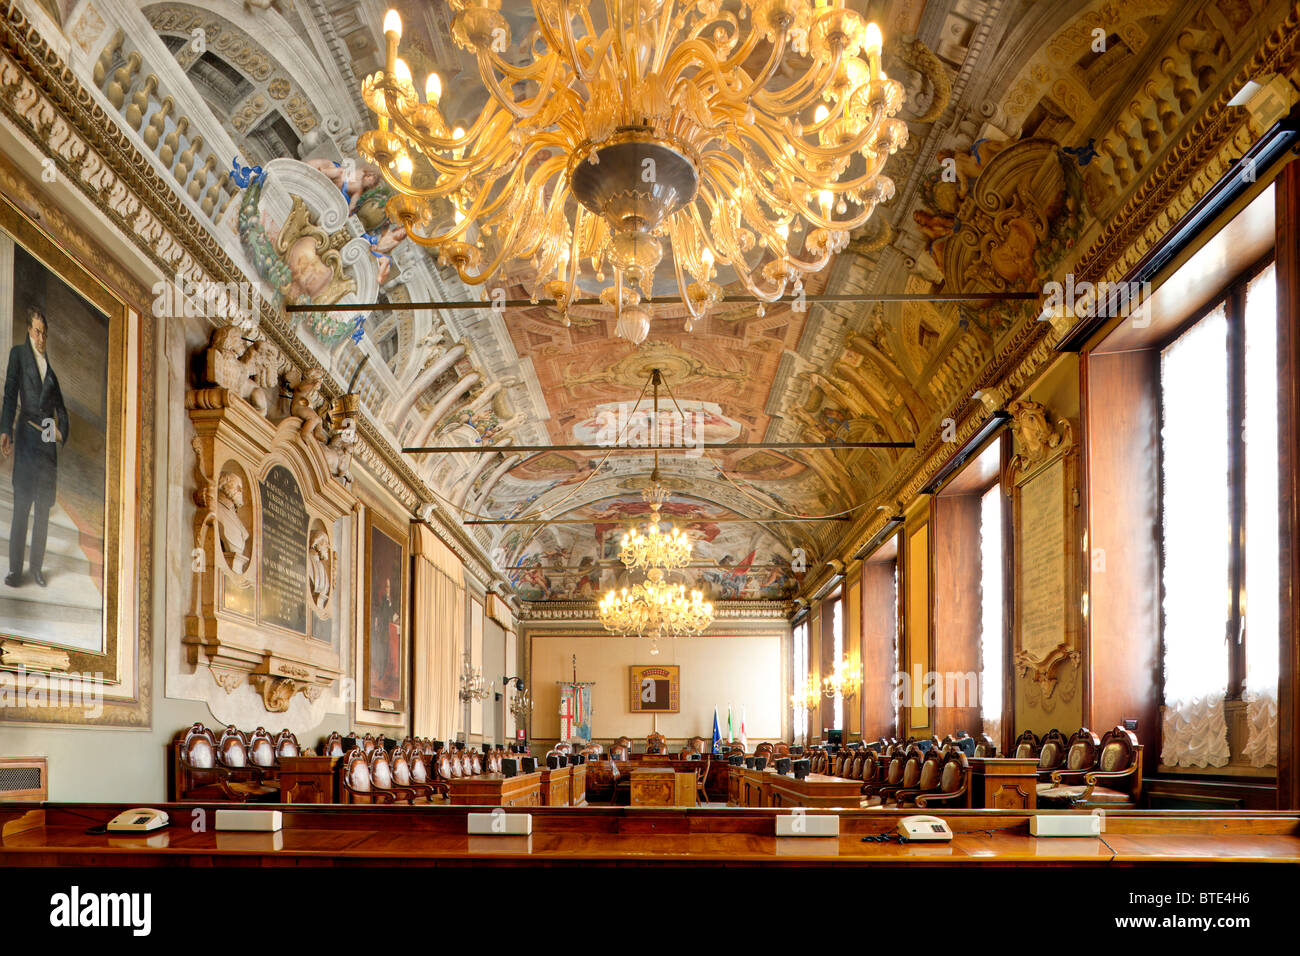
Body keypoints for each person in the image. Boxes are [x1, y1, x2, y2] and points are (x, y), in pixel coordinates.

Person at [0, 308, 69, 588]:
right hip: (27, 440)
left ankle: (37, 569)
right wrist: (5, 430)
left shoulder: (50, 371)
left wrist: (57, 432)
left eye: (45, 334)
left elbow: (60, 410)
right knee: (21, 508)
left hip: (46, 450)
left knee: (42, 511)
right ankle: (16, 571)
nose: (41, 338)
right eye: (37, 332)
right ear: (29, 330)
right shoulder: (18, 355)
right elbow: (9, 394)